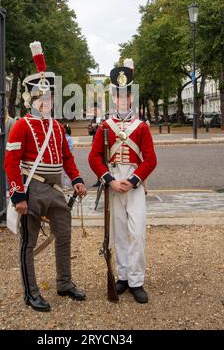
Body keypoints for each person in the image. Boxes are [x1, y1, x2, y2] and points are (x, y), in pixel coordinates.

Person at [4, 41, 87, 312]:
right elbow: (10, 162)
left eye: (49, 98)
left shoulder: (56, 126)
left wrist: (76, 179)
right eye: (41, 98)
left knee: (64, 236)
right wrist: (18, 195)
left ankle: (64, 283)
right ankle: (31, 293)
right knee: (28, 243)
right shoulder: (20, 126)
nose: (46, 102)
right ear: (31, 100)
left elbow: (66, 158)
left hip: (56, 190)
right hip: (32, 189)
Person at [88, 58, 157, 304]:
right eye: (118, 96)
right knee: (118, 234)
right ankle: (124, 276)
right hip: (114, 184)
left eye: (126, 96)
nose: (122, 100)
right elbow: (94, 157)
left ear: (131, 98)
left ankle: (137, 281)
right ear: (114, 98)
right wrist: (108, 180)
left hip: (134, 185)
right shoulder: (105, 126)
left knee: (136, 233)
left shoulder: (142, 127)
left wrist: (134, 179)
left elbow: (151, 159)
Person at [88, 102, 101, 187]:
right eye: (93, 110)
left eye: (96, 110)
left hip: (104, 143)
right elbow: (90, 133)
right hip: (95, 142)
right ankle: (99, 180)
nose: (95, 112)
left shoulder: (104, 119)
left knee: (104, 162)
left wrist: (96, 128)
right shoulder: (93, 119)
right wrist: (90, 129)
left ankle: (105, 179)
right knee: (96, 162)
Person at [62, 123, 73, 191]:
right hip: (61, 155)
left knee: (66, 172)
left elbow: (71, 147)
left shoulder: (69, 138)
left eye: (65, 129)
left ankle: (67, 185)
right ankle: (63, 185)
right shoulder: (62, 136)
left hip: (66, 156)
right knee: (62, 172)